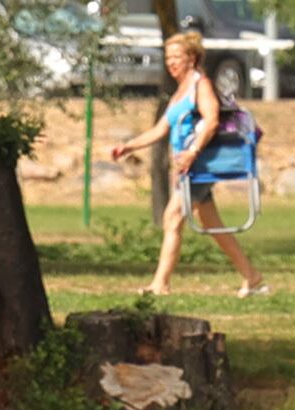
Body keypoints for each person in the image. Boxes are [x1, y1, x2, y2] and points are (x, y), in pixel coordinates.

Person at [110, 31, 269, 298]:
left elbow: (212, 120)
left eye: (176, 57)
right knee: (211, 224)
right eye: (168, 58)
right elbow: (161, 129)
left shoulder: (201, 85)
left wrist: (192, 153)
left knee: (172, 217)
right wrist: (130, 146)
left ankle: (160, 284)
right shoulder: (179, 93)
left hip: (199, 165)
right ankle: (252, 278)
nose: (171, 63)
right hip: (189, 167)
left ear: (192, 58)